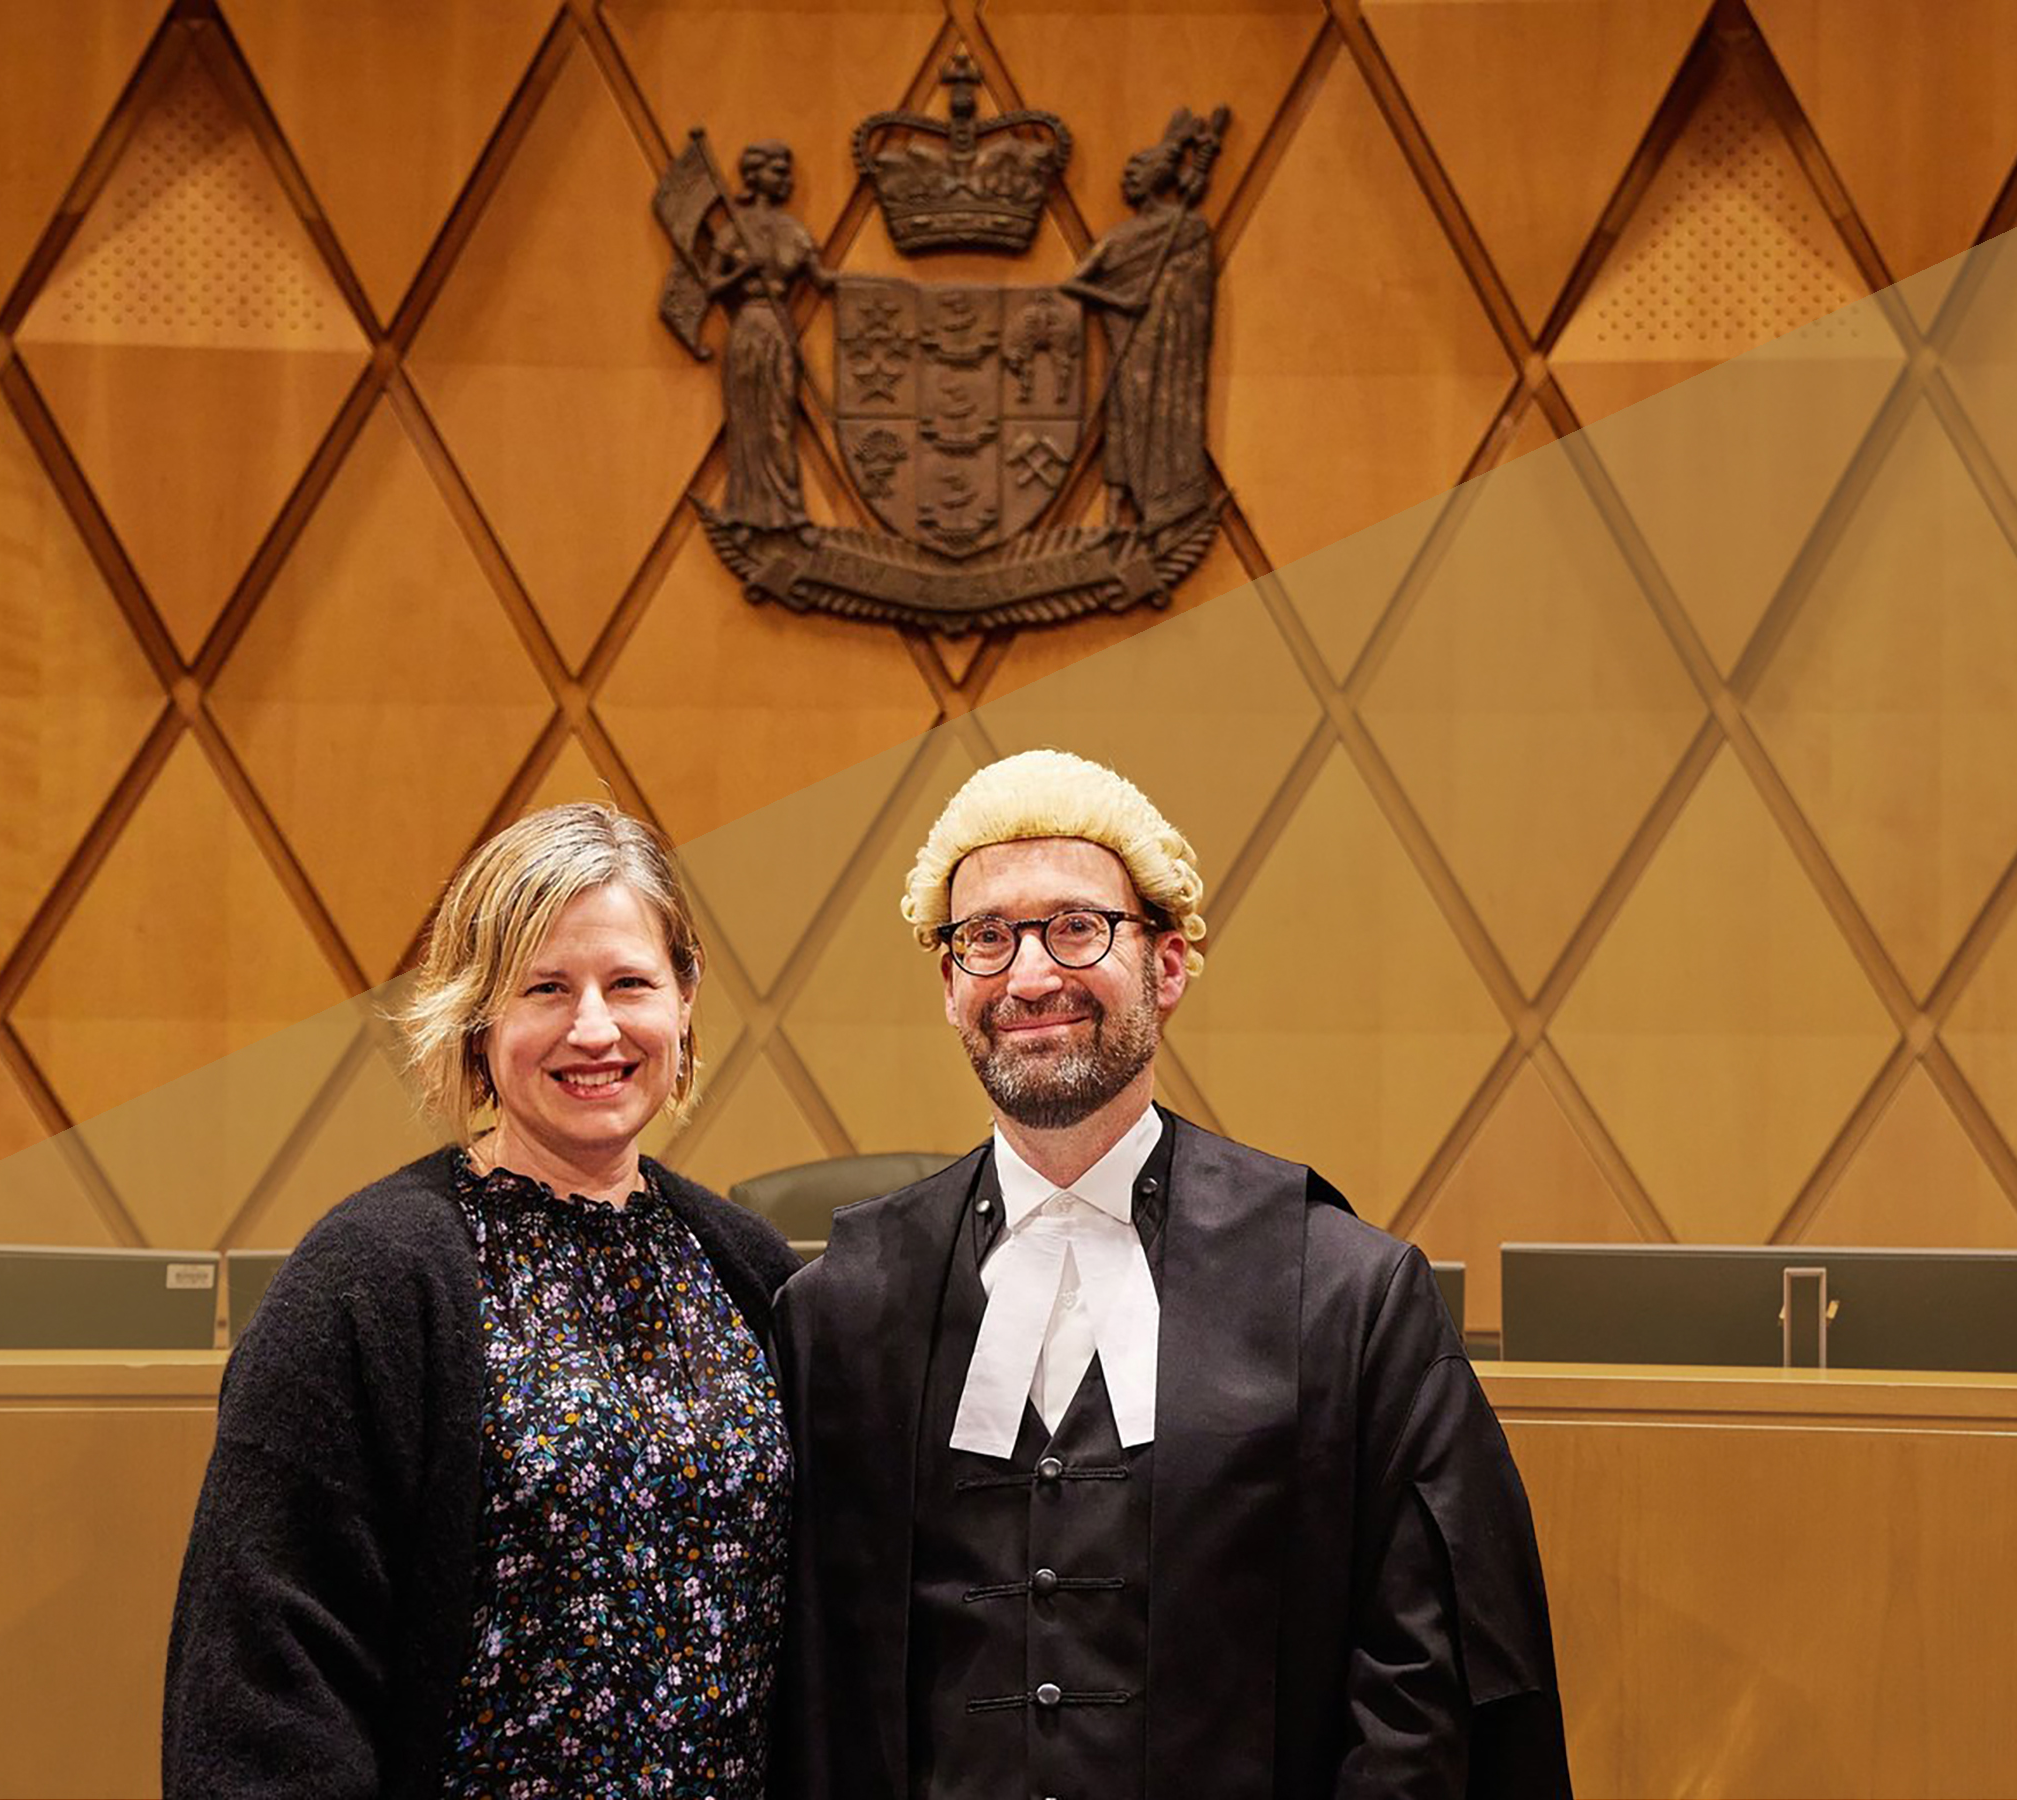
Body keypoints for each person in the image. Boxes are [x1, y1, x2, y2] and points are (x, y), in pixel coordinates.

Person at [775, 750, 1570, 1799]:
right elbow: (806, 1691)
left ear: (1169, 964)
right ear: (949, 985)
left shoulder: (1345, 1300)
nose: (1029, 977)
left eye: (1076, 926)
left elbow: (1421, 1689)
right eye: (986, 937)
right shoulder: (842, 1311)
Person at [163, 803, 802, 1798]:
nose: (594, 1027)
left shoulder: (748, 1269)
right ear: (477, 1017)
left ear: (684, 998)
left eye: (629, 983)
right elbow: (262, 1675)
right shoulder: (366, 1280)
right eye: (545, 988)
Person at [1063, 109, 1227, 533]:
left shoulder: (1188, 228)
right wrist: (1121, 300)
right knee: (1124, 417)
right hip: (1131, 340)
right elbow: (1073, 284)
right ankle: (1113, 516)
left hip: (1168, 347)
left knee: (1159, 417)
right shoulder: (1119, 239)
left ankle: (1162, 505)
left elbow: (1193, 291)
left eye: (1137, 176)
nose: (1130, 183)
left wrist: (1161, 297)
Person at [707, 139, 827, 535]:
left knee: (779, 420)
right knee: (747, 420)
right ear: (755, 176)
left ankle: (789, 513)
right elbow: (711, 285)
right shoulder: (733, 231)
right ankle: (743, 513)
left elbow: (821, 280)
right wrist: (743, 272)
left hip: (778, 330)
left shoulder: (794, 231)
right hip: (749, 327)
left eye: (787, 173)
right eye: (779, 172)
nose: (787, 180)